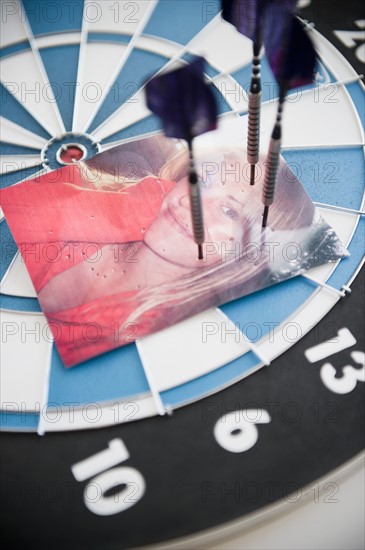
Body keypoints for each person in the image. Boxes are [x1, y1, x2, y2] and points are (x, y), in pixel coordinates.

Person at [1, 135, 346, 367]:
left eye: (229, 211)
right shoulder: (134, 199)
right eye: (201, 180)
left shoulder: (158, 338)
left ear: (247, 254)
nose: (189, 200)